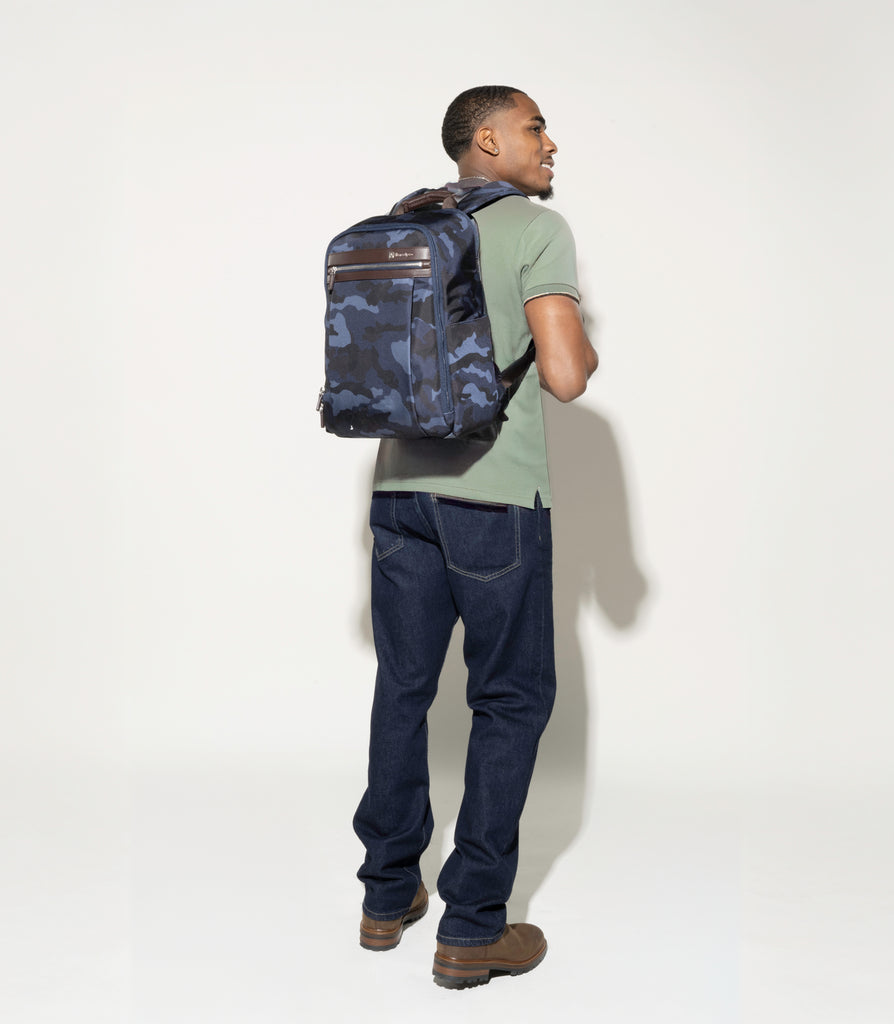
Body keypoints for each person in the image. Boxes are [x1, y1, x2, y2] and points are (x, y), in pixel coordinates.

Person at [352, 85, 599, 989]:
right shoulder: (537, 229)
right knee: (508, 700)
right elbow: (566, 376)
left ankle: (385, 896)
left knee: (405, 690)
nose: (550, 144)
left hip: (400, 495)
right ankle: (473, 926)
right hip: (494, 500)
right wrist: (582, 346)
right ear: (486, 138)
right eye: (535, 127)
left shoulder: (405, 226)